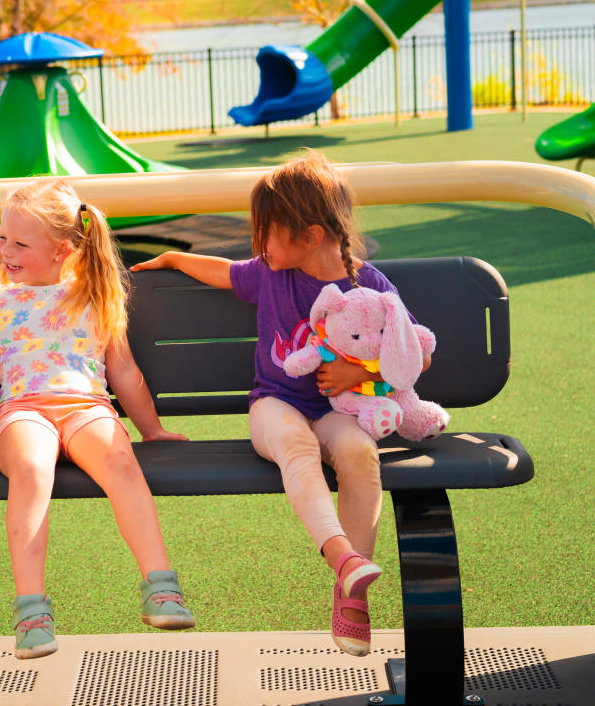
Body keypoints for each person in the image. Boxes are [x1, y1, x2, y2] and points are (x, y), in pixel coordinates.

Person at [131, 150, 431, 657]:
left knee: (360, 456)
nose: (258, 245)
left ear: (310, 235)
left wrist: (363, 371)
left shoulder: (372, 286)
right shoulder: (269, 272)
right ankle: (344, 558)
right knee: (296, 446)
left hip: (341, 409)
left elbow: (413, 353)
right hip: (274, 405)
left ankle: (350, 598)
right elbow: (225, 272)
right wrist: (176, 258)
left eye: (266, 232)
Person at [0, 178, 197, 660]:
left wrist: (151, 430)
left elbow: (124, 372)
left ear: (63, 250)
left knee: (121, 463)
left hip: (87, 409)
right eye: (3, 237)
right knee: (30, 470)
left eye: (20, 242)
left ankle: (161, 586)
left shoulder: (95, 299)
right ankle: (31, 610)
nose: (5, 250)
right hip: (24, 413)